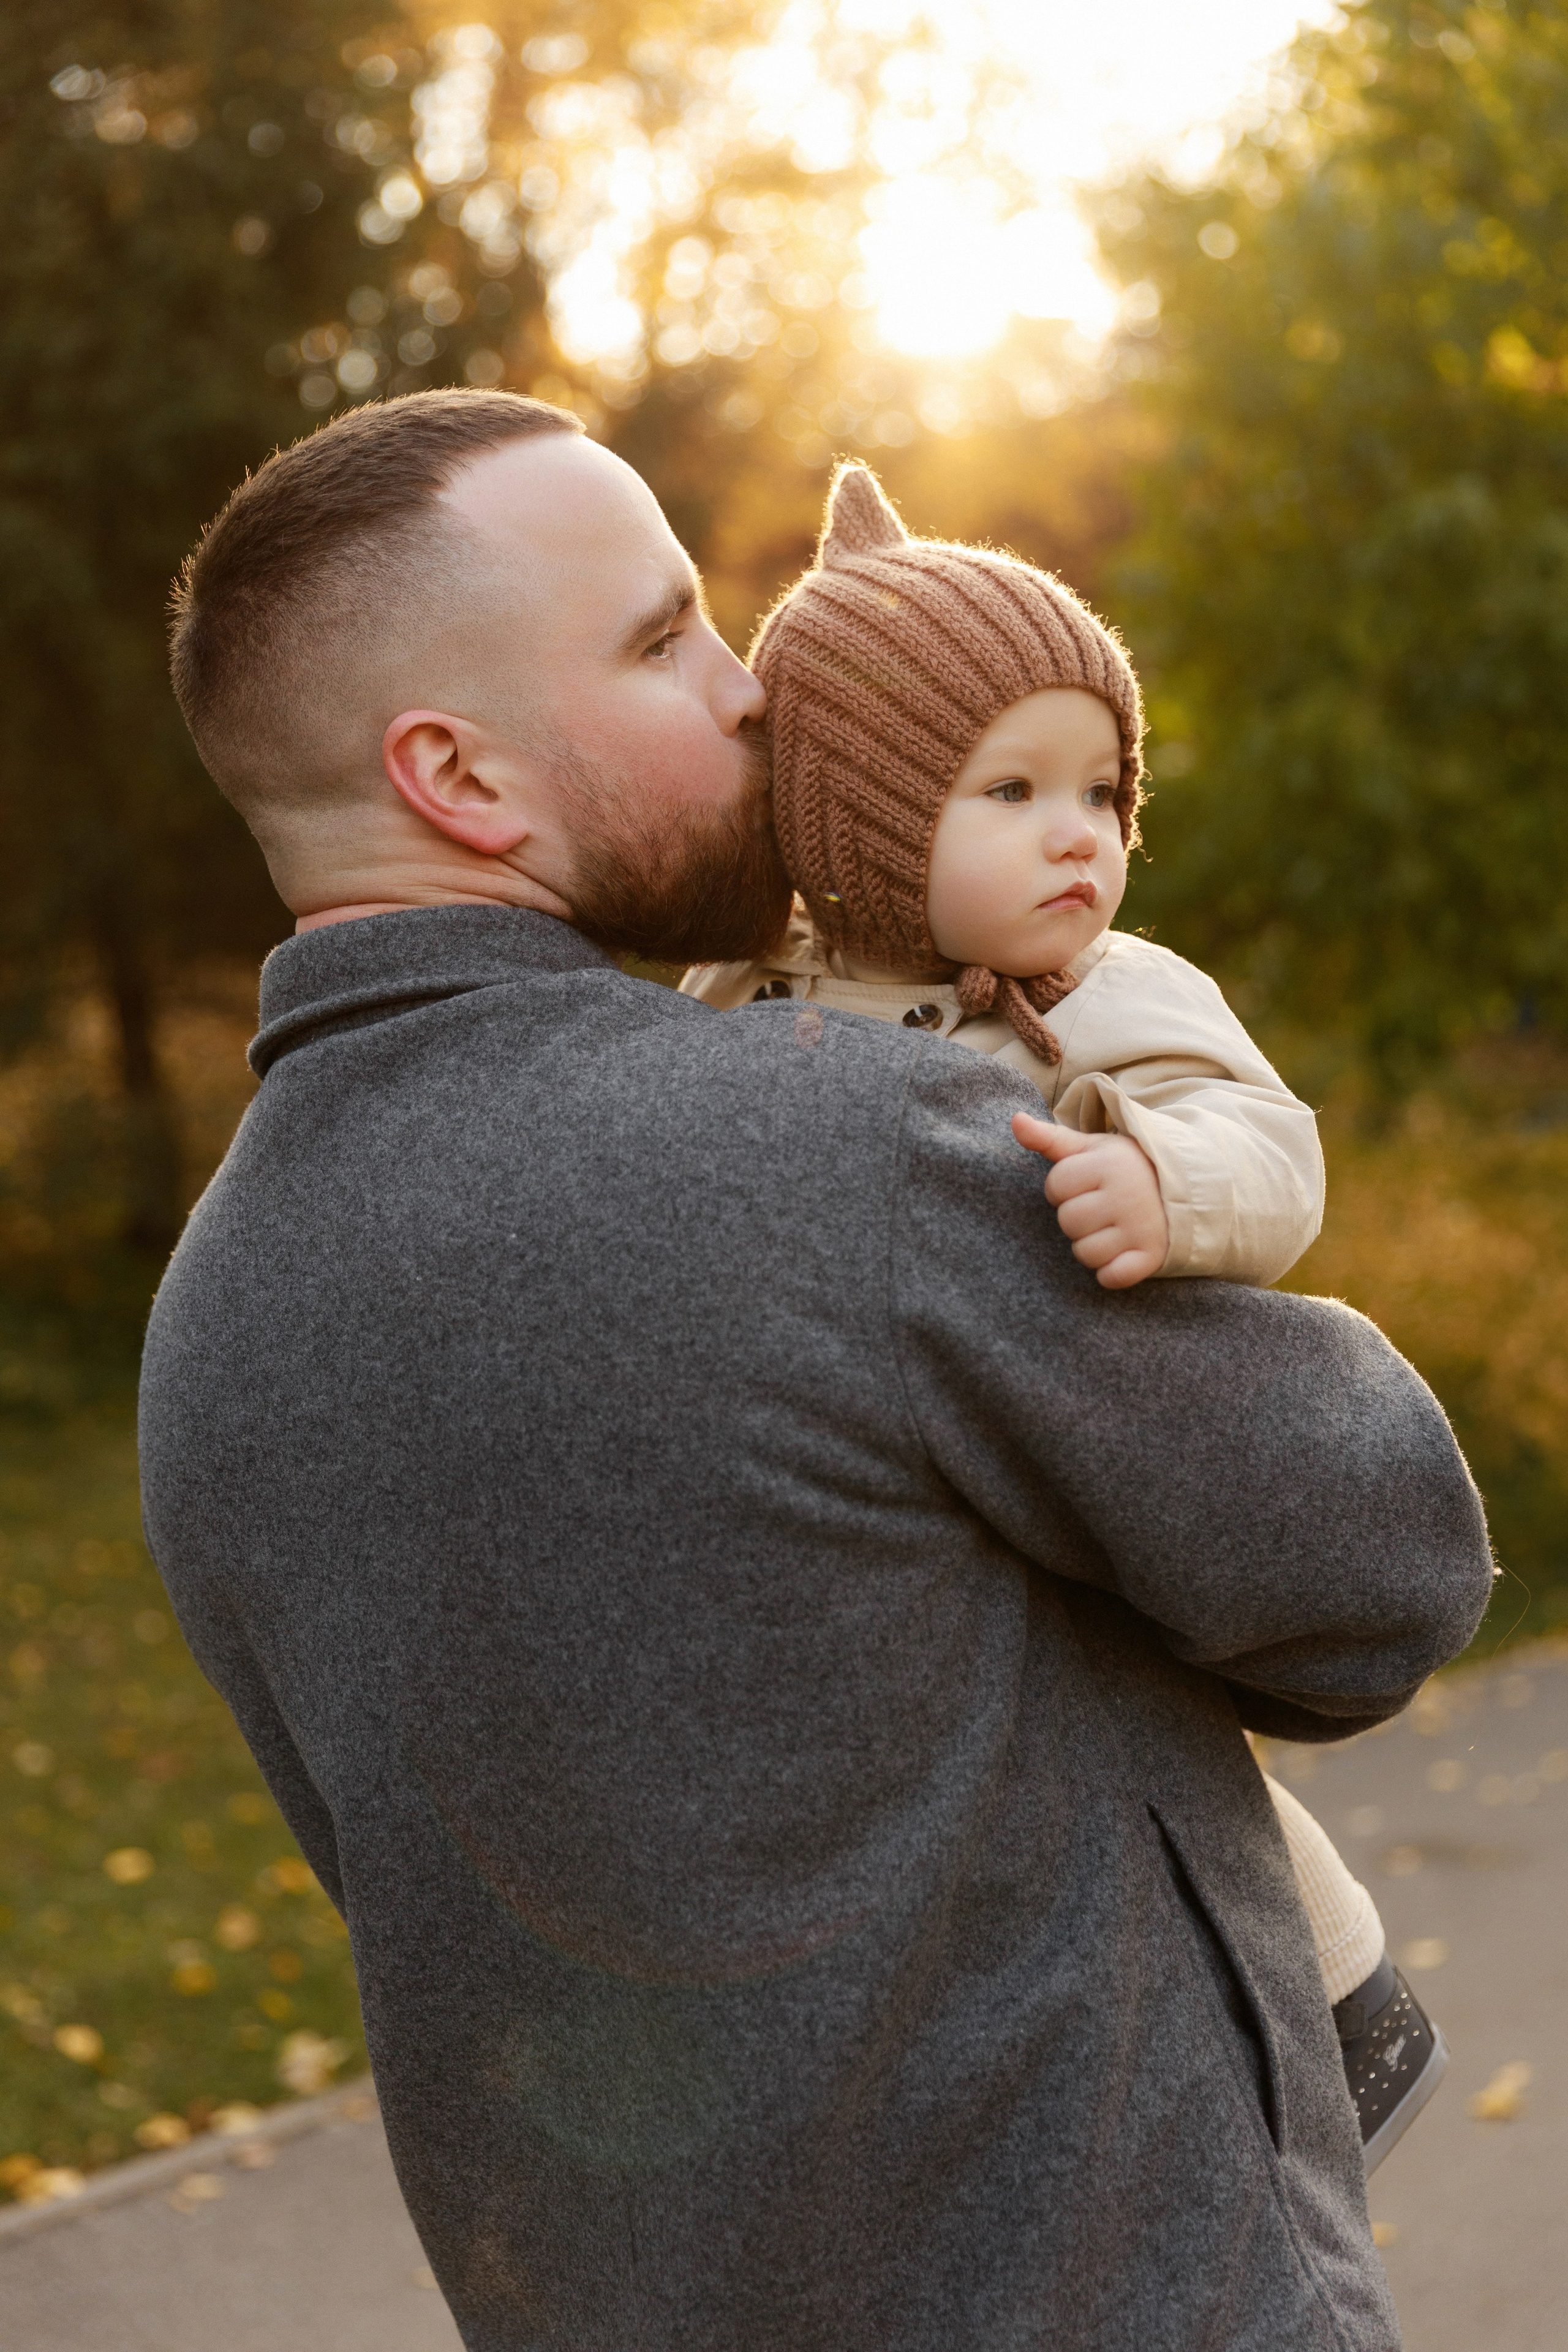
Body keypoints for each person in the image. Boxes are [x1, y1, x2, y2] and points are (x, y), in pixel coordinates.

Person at [140, 388, 1494, 2351]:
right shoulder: (838, 1137)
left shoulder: (208, 1342)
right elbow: (1378, 1567)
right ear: (459, 775)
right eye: (663, 637)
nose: (757, 692)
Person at [682, 461, 1446, 2173]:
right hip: (888, 1457)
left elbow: (1275, 1146)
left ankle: (1339, 2006)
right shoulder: (756, 990)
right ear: (856, 826)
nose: (1079, 834)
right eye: (1010, 789)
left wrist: (1167, 1188)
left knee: (1145, 1736)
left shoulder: (1117, 993)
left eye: (1100, 787)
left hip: (1076, 1434)